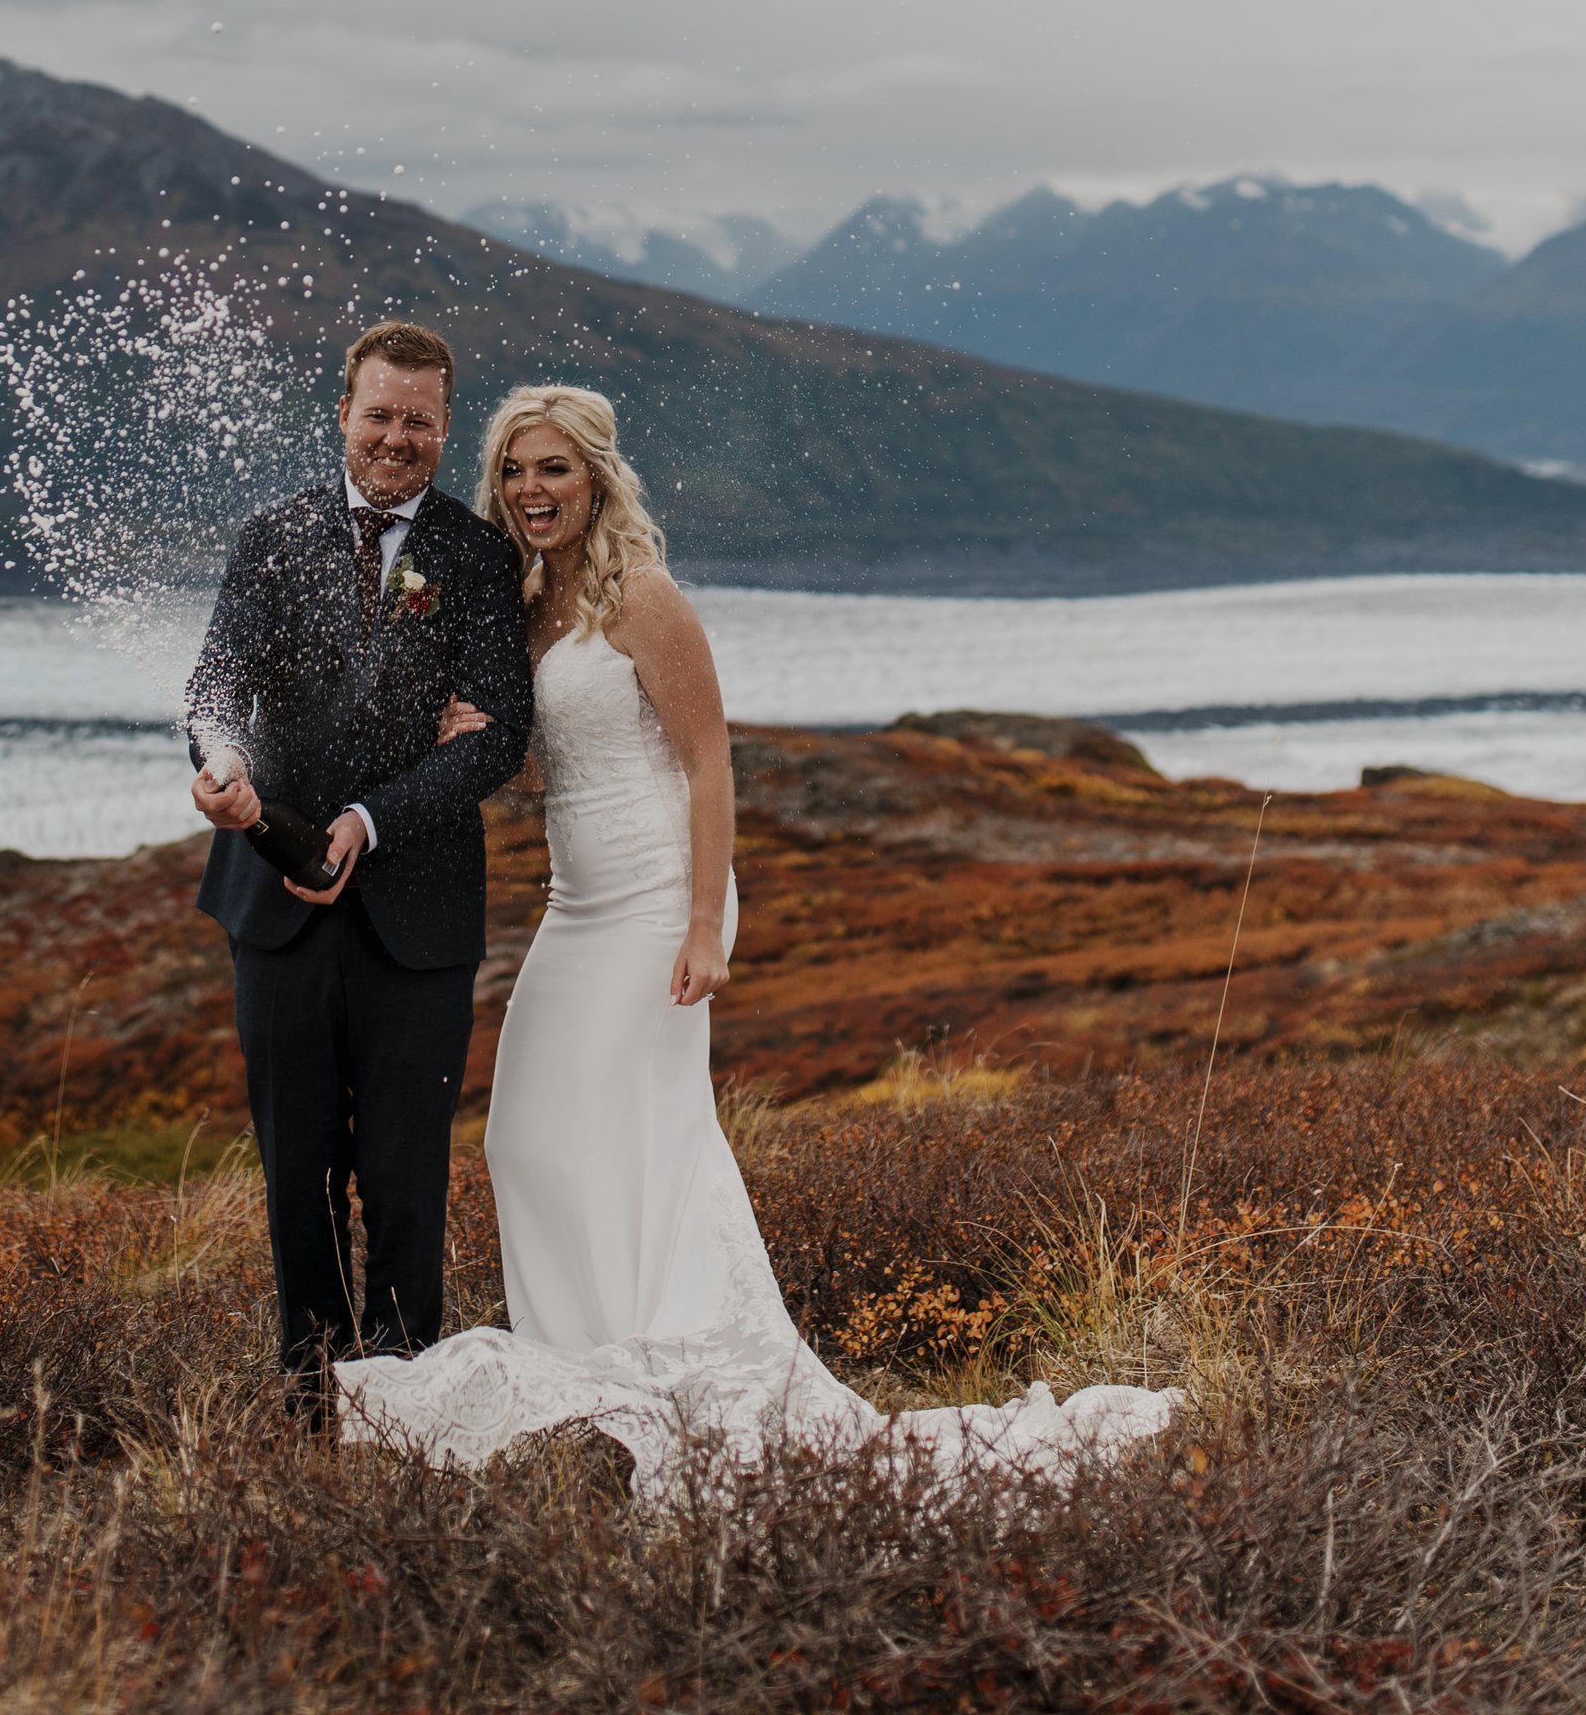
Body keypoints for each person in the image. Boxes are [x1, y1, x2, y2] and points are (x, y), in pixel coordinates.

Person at [336, 385, 1180, 1496]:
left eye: (555, 469)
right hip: (576, 901)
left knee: (646, 1130)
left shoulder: (644, 598)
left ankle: (675, 1356)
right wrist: (481, 731)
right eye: (516, 472)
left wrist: (702, 922)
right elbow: (562, 746)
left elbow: (707, 762)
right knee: (527, 1137)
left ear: (596, 477)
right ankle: (597, 1366)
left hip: (656, 899)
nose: (533, 491)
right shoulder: (529, 598)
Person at [185, 320, 533, 1416]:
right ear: (343, 413)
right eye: (378, 415)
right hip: (272, 902)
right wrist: (220, 760)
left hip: (416, 911)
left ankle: (405, 1409)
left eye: (418, 421)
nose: (396, 438)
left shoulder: (478, 557)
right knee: (297, 1171)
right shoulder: (269, 535)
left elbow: (497, 733)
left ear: (444, 425)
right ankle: (308, 1405)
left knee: (405, 1173)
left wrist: (369, 822)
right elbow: (215, 681)